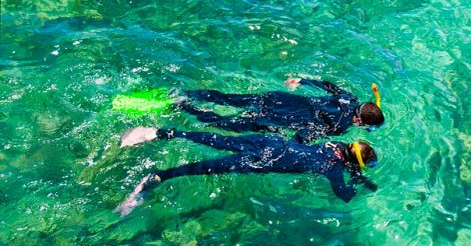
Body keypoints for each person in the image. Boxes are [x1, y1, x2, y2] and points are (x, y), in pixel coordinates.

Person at [116, 126, 379, 216]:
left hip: (270, 143)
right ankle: (158, 177)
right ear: (352, 162)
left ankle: (161, 133)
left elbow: (344, 159)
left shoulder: (337, 147)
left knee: (216, 139)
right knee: (205, 168)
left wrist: (356, 171)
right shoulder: (332, 169)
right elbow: (344, 195)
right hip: (265, 160)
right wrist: (358, 183)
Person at [172, 78, 385, 143]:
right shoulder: (341, 126)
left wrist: (302, 80)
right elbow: (307, 134)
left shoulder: (349, 98)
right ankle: (182, 105)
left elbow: (328, 86)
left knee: (228, 99)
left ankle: (186, 93)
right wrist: (288, 142)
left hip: (278, 98)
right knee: (223, 124)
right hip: (277, 117)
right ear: (359, 121)